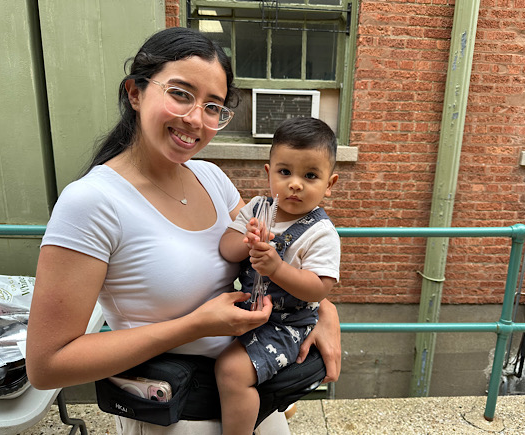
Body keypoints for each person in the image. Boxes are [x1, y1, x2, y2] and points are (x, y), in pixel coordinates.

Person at [25, 27, 341, 435]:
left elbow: (268, 252)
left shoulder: (211, 178)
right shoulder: (92, 202)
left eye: (213, 106)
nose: (195, 119)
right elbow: (47, 366)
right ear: (135, 92)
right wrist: (195, 325)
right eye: (180, 93)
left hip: (253, 403)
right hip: (174, 418)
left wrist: (323, 310)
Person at [216, 117, 340, 435]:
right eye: (285, 172)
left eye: (310, 175)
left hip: (287, 324)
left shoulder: (321, 233)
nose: (295, 184)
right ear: (269, 173)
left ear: (329, 184)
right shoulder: (258, 208)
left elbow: (319, 288)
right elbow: (227, 249)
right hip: (248, 309)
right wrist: (247, 239)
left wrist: (277, 269)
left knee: (231, 370)